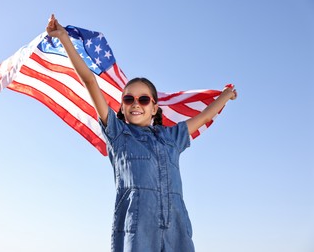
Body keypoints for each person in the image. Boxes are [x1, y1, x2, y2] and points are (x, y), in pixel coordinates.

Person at [46, 14, 237, 252]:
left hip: (177, 230)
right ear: (123, 106)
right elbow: (90, 82)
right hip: (138, 233)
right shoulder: (118, 135)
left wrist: (226, 96)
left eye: (143, 99)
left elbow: (204, 117)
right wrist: (64, 38)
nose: (136, 103)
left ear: (154, 107)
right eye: (129, 99)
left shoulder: (172, 138)